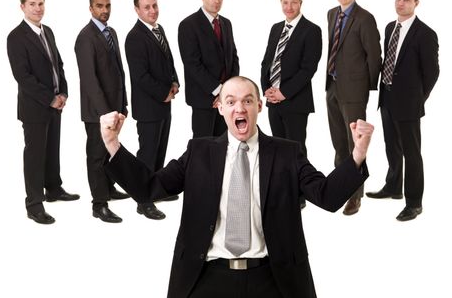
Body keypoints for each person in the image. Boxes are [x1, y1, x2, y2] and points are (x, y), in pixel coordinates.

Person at [100, 76, 374, 298]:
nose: (239, 108)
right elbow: (150, 187)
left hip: (272, 279)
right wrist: (112, 143)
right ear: (219, 108)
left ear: (259, 106)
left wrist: (358, 154)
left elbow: (327, 196)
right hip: (206, 278)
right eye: (230, 101)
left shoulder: (287, 153)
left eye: (247, 101)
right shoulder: (199, 152)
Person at [366, 0, 439, 221]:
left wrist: (419, 98)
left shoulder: (426, 34)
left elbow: (432, 73)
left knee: (412, 153)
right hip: (386, 98)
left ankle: (414, 203)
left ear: (416, 3)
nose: (401, 3)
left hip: (408, 103)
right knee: (392, 147)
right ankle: (393, 187)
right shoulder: (390, 27)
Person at [7, 0, 79, 224]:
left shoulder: (47, 31)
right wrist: (50, 97)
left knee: (53, 149)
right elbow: (23, 76)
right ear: (22, 7)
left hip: (56, 103)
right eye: (32, 4)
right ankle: (34, 204)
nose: (38, 9)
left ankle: (54, 189)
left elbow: (58, 64)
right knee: (35, 154)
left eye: (41, 4)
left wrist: (64, 92)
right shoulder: (16, 37)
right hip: (35, 106)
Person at [260, 0, 322, 209]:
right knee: (278, 148)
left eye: (293, 2)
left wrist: (283, 93)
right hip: (273, 101)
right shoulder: (276, 28)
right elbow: (267, 61)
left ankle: (300, 193)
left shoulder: (311, 30)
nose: (289, 7)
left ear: (301, 3)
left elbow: (308, 69)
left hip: (295, 102)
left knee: (296, 149)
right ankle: (283, 188)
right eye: (285, 2)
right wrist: (266, 89)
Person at [325, 0, 382, 215]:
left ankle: (355, 197)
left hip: (355, 93)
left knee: (354, 145)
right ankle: (341, 188)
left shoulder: (365, 18)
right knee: (338, 143)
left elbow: (374, 57)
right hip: (332, 87)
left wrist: (365, 88)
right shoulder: (331, 14)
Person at [124, 0, 180, 220]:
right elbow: (140, 76)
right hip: (149, 106)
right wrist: (163, 92)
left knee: (160, 150)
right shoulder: (134, 37)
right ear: (137, 10)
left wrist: (175, 81)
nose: (152, 10)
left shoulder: (159, 29)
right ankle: (143, 201)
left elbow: (168, 59)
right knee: (147, 154)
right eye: (146, 7)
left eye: (154, 5)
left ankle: (155, 189)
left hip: (165, 104)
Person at [74, 0, 129, 223]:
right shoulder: (85, 37)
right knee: (96, 156)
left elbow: (119, 71)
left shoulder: (111, 32)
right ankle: (99, 204)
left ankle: (108, 188)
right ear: (90, 9)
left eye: (107, 5)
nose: (104, 10)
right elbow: (90, 79)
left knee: (109, 152)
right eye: (99, 6)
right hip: (98, 111)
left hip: (114, 107)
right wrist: (106, 112)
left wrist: (123, 103)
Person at [178, 0, 239, 138]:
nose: (216, 0)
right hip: (203, 99)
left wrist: (227, 90)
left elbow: (233, 58)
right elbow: (192, 64)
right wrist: (218, 90)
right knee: (202, 148)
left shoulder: (226, 23)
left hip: (226, 100)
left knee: (223, 147)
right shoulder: (188, 25)